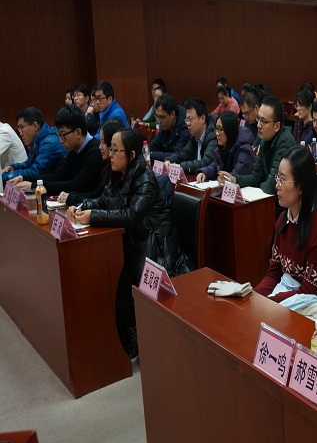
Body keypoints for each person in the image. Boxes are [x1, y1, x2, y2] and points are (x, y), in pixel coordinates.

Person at [68, 128, 191, 360]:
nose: (110, 154)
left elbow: (130, 215)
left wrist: (94, 216)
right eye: (111, 148)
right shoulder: (117, 173)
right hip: (134, 243)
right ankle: (131, 338)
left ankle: (141, 341)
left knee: (121, 289)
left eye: (116, 150)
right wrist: (83, 207)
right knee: (112, 286)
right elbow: (104, 200)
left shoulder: (145, 179)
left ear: (132, 155)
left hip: (155, 247)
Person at [254, 146, 317, 308]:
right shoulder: (282, 220)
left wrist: (268, 303)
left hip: (314, 301)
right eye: (277, 177)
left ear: (301, 187)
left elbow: (309, 291)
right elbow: (274, 273)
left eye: (283, 180)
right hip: (287, 290)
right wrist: (253, 295)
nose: (277, 185)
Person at [10, 106, 102, 197]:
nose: (60, 140)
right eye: (59, 135)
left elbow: (75, 185)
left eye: (63, 135)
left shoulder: (95, 152)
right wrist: (24, 178)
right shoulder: (74, 150)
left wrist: (34, 186)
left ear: (78, 132)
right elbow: (57, 176)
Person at [224, 97, 294, 195]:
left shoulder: (285, 143)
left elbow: (272, 186)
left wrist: (257, 187)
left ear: (277, 126)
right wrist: (235, 179)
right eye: (258, 119)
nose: (258, 125)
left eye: (264, 122)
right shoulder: (265, 139)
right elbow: (256, 177)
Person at [59, 118, 124, 206]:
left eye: (103, 142)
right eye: (100, 142)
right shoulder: (107, 165)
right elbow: (99, 197)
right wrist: (71, 197)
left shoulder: (122, 171)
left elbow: (104, 202)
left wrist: (72, 198)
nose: (100, 147)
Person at [2, 107, 66, 185]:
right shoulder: (37, 140)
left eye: (21, 128)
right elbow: (29, 163)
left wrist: (4, 176)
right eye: (19, 129)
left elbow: (36, 172)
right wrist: (14, 167)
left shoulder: (50, 143)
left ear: (35, 126)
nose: (20, 133)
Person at [195, 111, 255, 183]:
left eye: (220, 129)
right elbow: (215, 166)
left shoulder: (244, 150)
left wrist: (223, 177)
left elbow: (236, 176)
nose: (217, 133)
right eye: (216, 129)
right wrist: (204, 173)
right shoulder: (224, 146)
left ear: (230, 130)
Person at [163, 98, 218, 175]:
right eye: (186, 120)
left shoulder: (213, 136)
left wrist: (180, 166)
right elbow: (183, 154)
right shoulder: (194, 137)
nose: (188, 124)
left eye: (191, 119)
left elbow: (205, 163)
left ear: (202, 118)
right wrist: (169, 160)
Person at [149, 94, 190, 162]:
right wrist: (150, 153)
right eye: (157, 117)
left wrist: (152, 154)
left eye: (162, 117)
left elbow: (177, 156)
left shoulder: (186, 126)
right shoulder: (165, 126)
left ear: (173, 114)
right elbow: (152, 147)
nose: (159, 121)